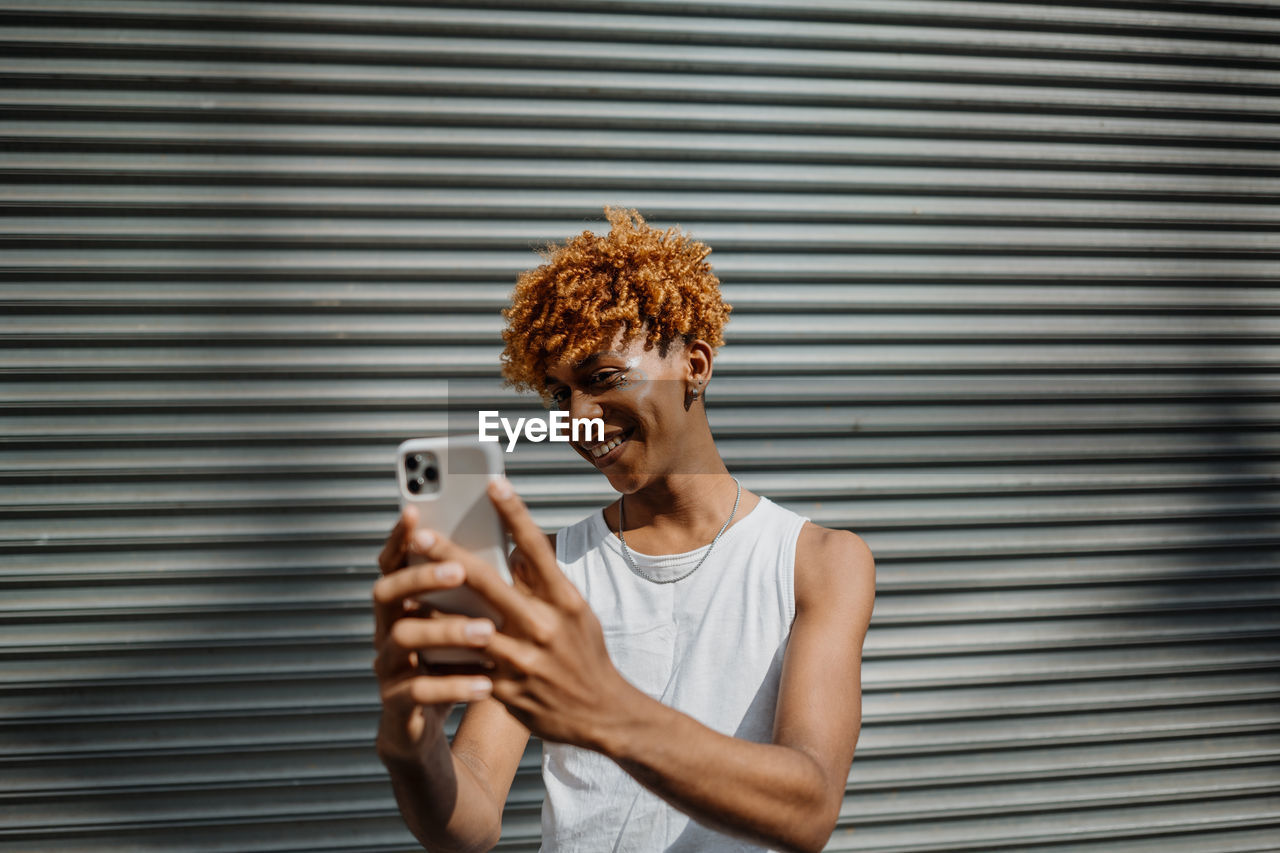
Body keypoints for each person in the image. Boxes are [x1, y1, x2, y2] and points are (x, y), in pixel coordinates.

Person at [372, 208, 875, 853]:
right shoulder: (543, 572)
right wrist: (411, 746)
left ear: (696, 364)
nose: (578, 417)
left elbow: (807, 809)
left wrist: (601, 707)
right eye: (559, 397)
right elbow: (470, 821)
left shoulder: (820, 561)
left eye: (603, 379)